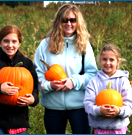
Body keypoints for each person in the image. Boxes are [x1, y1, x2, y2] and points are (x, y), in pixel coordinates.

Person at [33, 4, 98, 134]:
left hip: (79, 107)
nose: (68, 23)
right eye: (65, 20)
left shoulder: (84, 45)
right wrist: (49, 85)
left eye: (72, 20)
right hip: (53, 108)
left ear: (77, 22)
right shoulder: (45, 44)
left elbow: (92, 74)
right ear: (58, 22)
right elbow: (37, 73)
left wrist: (74, 82)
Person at [0, 25, 39, 134]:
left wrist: (33, 100)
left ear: (19, 43)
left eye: (14, 41)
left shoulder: (27, 64)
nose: (10, 45)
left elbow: (34, 89)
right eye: (6, 41)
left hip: (19, 121)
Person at [83, 44, 132, 134]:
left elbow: (130, 106)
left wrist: (119, 111)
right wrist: (99, 110)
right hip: (99, 129)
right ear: (100, 60)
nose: (108, 63)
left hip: (118, 129)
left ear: (117, 62)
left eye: (111, 60)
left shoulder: (123, 81)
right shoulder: (94, 82)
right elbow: (88, 105)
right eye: (104, 59)